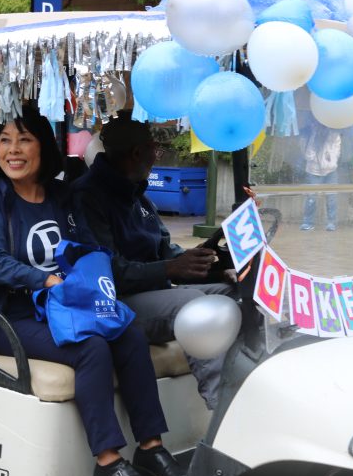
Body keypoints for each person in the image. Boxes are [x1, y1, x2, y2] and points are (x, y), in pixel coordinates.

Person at [0, 106, 184, 476]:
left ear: (44, 147)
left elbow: (86, 245)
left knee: (128, 330)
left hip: (67, 304)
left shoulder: (62, 196)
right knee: (91, 347)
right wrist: (44, 278)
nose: (13, 150)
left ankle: (149, 447)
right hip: (7, 315)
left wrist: (89, 273)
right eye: (5, 140)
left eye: (25, 139)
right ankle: (109, 461)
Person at [72, 116, 234, 410]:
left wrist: (210, 265)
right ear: (138, 152)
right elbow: (107, 274)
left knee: (233, 296)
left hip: (153, 294)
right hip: (111, 304)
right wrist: (171, 268)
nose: (155, 156)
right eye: (154, 149)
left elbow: (165, 254)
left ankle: (248, 389)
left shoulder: (139, 198)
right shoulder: (88, 197)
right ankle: (223, 409)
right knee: (198, 307)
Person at [301, 124, 341, 231]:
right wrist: (314, 153)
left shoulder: (334, 135)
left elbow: (336, 152)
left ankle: (331, 222)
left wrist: (330, 161)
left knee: (331, 197)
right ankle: (308, 222)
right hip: (313, 170)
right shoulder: (310, 133)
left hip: (331, 170)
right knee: (311, 197)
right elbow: (306, 153)